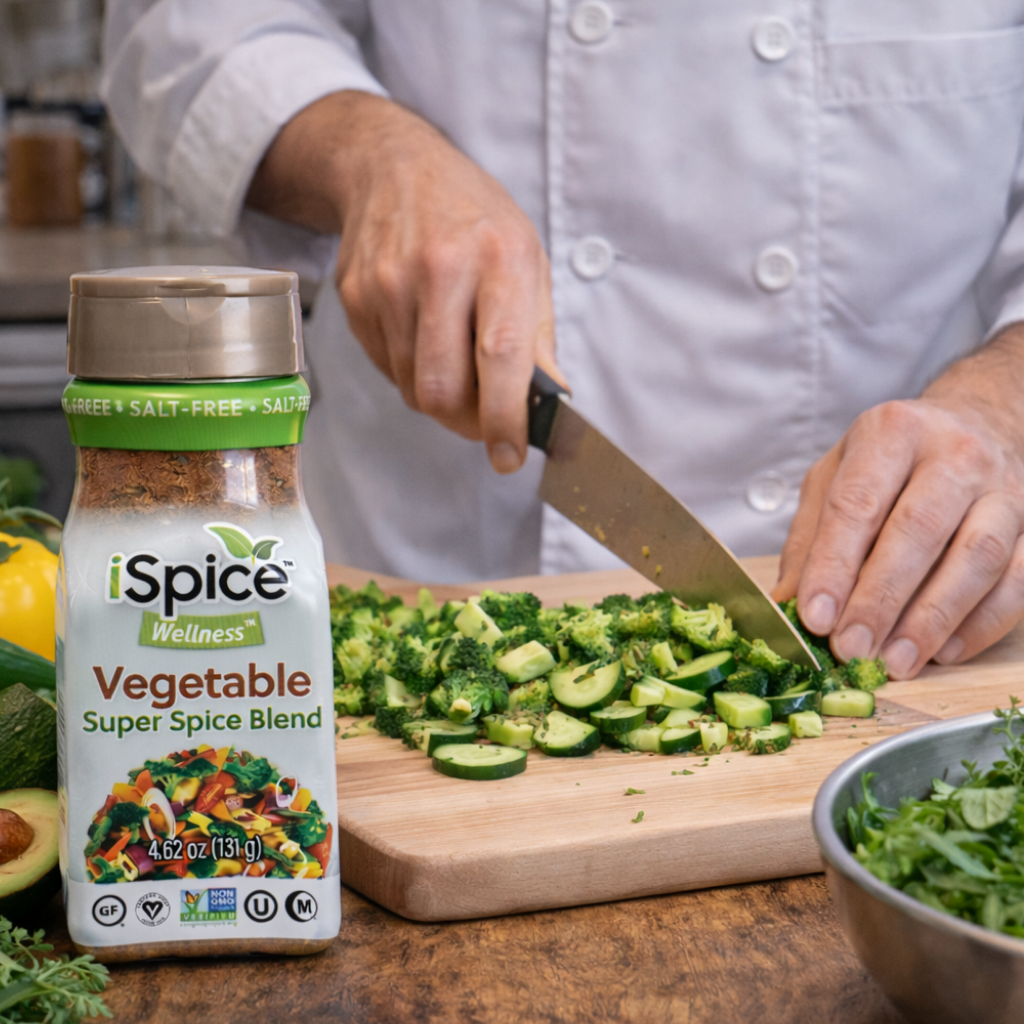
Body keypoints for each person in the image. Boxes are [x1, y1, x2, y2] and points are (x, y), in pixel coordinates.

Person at [101, 1, 1024, 680]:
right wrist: (365, 150)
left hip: (911, 596)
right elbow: (186, 26)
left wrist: (1004, 404)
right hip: (414, 569)